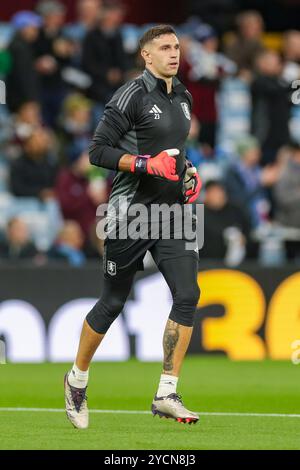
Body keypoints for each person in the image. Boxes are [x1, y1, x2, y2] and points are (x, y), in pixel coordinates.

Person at [64, 24, 202, 429]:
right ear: (146, 55)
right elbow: (96, 151)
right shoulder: (130, 95)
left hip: (172, 212)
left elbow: (177, 151)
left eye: (176, 46)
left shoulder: (184, 96)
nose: (173, 53)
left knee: (188, 293)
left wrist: (188, 172)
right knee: (113, 303)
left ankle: (166, 393)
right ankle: (77, 379)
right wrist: (144, 164)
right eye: (164, 47)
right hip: (130, 213)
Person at [6, 11, 42, 112]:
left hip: (19, 99)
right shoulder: (19, 48)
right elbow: (23, 76)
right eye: (33, 28)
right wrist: (31, 99)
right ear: (23, 28)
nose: (36, 32)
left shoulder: (20, 45)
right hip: (21, 101)